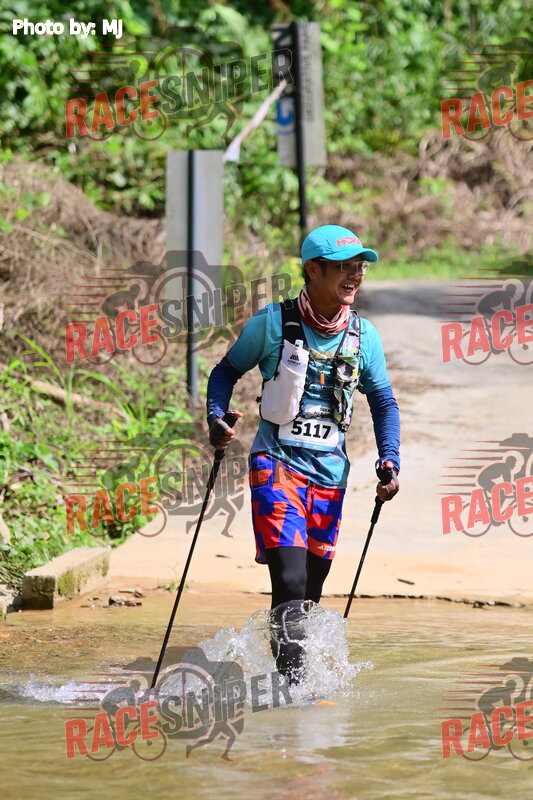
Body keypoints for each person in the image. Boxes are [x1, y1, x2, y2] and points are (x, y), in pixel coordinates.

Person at [206, 224, 400, 683]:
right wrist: (216, 417)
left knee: (309, 591)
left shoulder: (364, 336)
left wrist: (389, 458)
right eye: (344, 266)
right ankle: (296, 695)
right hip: (276, 466)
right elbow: (225, 371)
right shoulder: (272, 324)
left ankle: (285, 681)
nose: (355, 275)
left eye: (360, 266)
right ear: (313, 269)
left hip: (330, 476)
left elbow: (383, 401)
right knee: (289, 580)